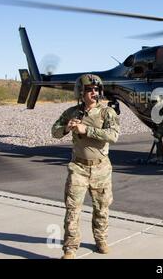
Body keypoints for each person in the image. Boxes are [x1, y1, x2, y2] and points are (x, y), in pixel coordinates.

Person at [51, 74, 120, 259]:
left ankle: (101, 240)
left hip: (101, 169)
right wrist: (67, 127)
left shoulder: (107, 113)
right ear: (80, 93)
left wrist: (86, 129)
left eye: (96, 90)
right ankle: (70, 248)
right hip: (78, 168)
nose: (93, 93)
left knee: (102, 208)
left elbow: (113, 135)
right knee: (73, 209)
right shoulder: (72, 112)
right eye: (89, 90)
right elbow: (54, 132)